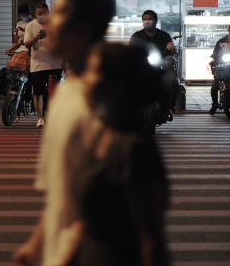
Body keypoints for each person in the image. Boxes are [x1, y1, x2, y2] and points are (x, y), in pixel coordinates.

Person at [12, 0, 117, 266]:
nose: (48, 21)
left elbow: (106, 203)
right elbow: (62, 193)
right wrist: (35, 247)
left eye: (58, 13)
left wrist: (65, 256)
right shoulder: (67, 93)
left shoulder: (102, 103)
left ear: (81, 28)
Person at [69, 42, 170, 266]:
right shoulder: (101, 133)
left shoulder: (135, 150)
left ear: (116, 85)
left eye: (93, 71)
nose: (85, 79)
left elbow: (151, 240)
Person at [24, 2, 62, 128]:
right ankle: (40, 118)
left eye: (44, 13)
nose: (41, 16)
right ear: (35, 13)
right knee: (38, 93)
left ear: (49, 12)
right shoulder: (31, 26)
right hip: (38, 65)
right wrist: (36, 38)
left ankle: (52, 117)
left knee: (54, 94)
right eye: (39, 14)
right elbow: (27, 44)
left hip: (55, 64)